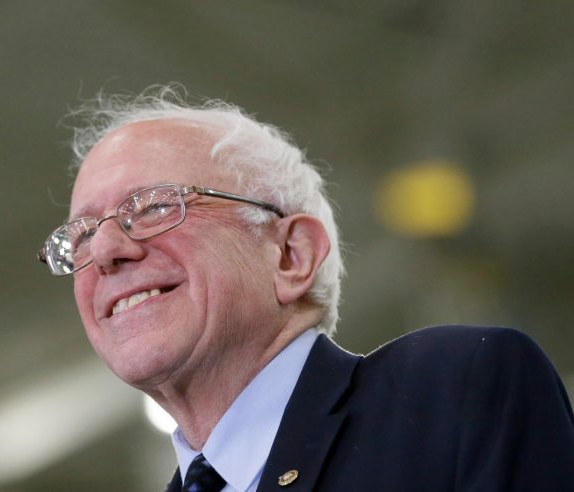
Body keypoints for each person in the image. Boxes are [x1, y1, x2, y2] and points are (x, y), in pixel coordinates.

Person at [38, 86, 574, 491]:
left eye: (154, 206)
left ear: (291, 255)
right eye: (80, 235)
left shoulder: (451, 392)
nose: (105, 250)